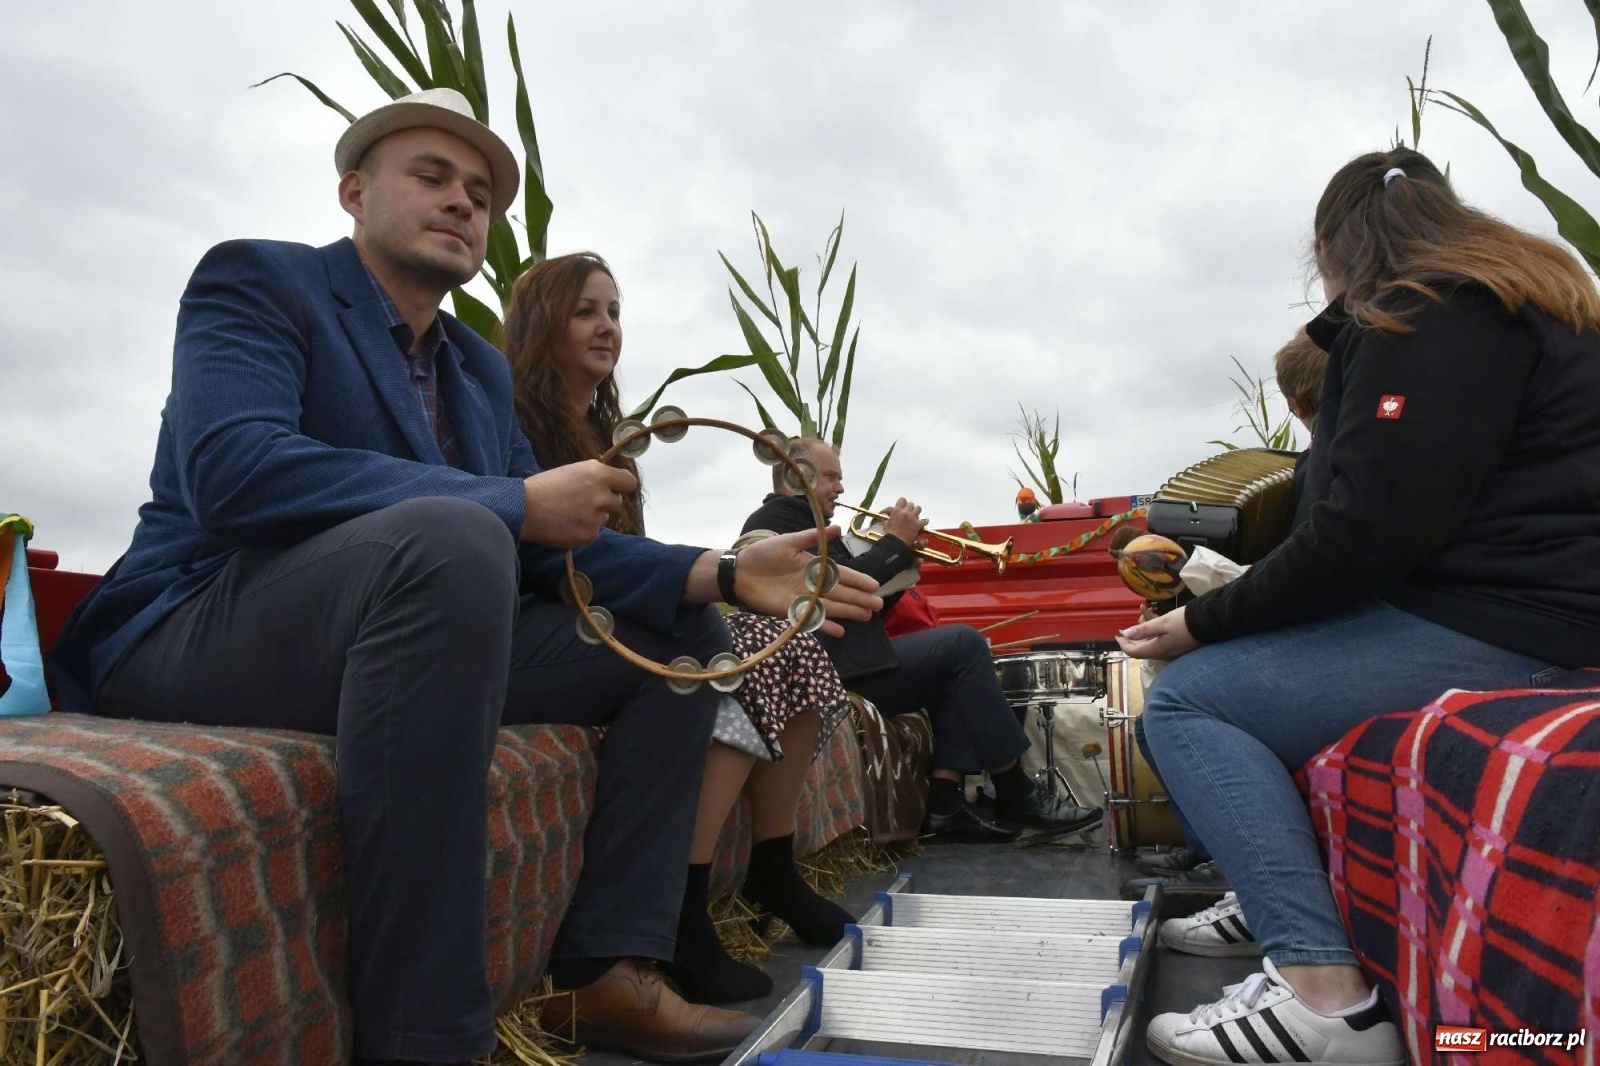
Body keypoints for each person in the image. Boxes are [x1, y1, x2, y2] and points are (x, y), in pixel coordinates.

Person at [48, 89, 880, 1066]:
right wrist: (509, 505)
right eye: (432, 177)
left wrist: (724, 571)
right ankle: (424, 1037)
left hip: (405, 630)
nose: (461, 202)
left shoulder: (479, 373)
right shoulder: (261, 281)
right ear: (354, 192)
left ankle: (606, 973)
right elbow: (236, 472)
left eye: (479, 194)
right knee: (456, 538)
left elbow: (545, 541)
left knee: (679, 636)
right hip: (200, 624)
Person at [1117, 147, 1600, 1066]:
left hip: (1508, 623)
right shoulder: (1530, 303)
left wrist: (1201, 621)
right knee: (1255, 674)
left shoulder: (1423, 312)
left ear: (1336, 249)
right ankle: (1278, 893)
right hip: (1541, 606)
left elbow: (1368, 534)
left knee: (1189, 700)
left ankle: (1327, 1003)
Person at [502, 251, 860, 1005]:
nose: (607, 326)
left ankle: (773, 864)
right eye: (585, 311)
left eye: (614, 311)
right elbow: (552, 561)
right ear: (540, 326)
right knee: (720, 645)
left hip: (604, 609)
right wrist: (719, 576)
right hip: (548, 617)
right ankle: (686, 907)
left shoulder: (605, 433)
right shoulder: (511, 423)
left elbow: (625, 557)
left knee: (788, 648)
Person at [744, 440, 1105, 842]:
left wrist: (902, 566)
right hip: (825, 673)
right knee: (964, 645)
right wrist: (895, 544)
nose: (840, 488)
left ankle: (945, 804)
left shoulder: (803, 521)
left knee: (956, 662)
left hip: (841, 662)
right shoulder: (779, 520)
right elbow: (840, 587)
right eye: (831, 477)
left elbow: (857, 606)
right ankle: (1016, 790)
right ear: (796, 476)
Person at [1122, 328, 1329, 898]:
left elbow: (1306, 575)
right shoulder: (1335, 461)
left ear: (1295, 403)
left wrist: (1199, 603)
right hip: (1327, 624)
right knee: (1156, 716)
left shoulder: (1325, 466)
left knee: (1170, 706)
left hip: (1326, 634)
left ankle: (1228, 863)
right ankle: (1208, 850)